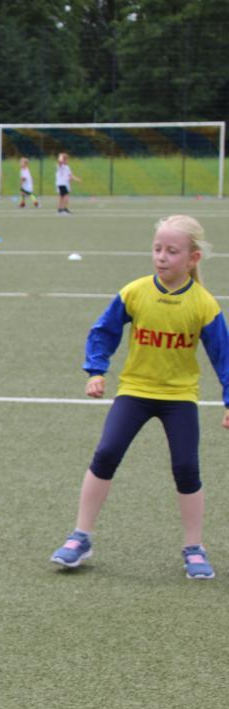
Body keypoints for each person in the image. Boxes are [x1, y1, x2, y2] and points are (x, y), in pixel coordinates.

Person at [51, 215, 229, 580]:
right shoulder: (134, 292)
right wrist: (96, 370)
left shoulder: (204, 304)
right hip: (135, 391)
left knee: (186, 468)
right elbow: (104, 331)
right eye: (157, 248)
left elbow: (223, 356)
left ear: (193, 258)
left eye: (172, 251)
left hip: (179, 397)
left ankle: (194, 547)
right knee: (106, 454)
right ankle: (80, 536)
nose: (162, 257)